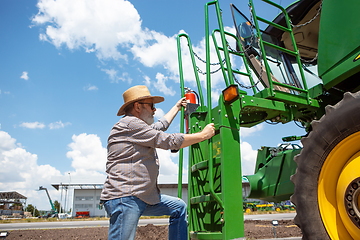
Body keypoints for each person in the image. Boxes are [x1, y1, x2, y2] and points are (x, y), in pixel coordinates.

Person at [100, 85, 215, 240]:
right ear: (138, 106)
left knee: (179, 207)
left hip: (142, 196)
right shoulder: (130, 124)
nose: (155, 110)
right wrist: (203, 135)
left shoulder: (137, 128)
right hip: (125, 197)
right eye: (152, 106)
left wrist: (177, 107)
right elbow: (167, 140)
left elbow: (160, 126)